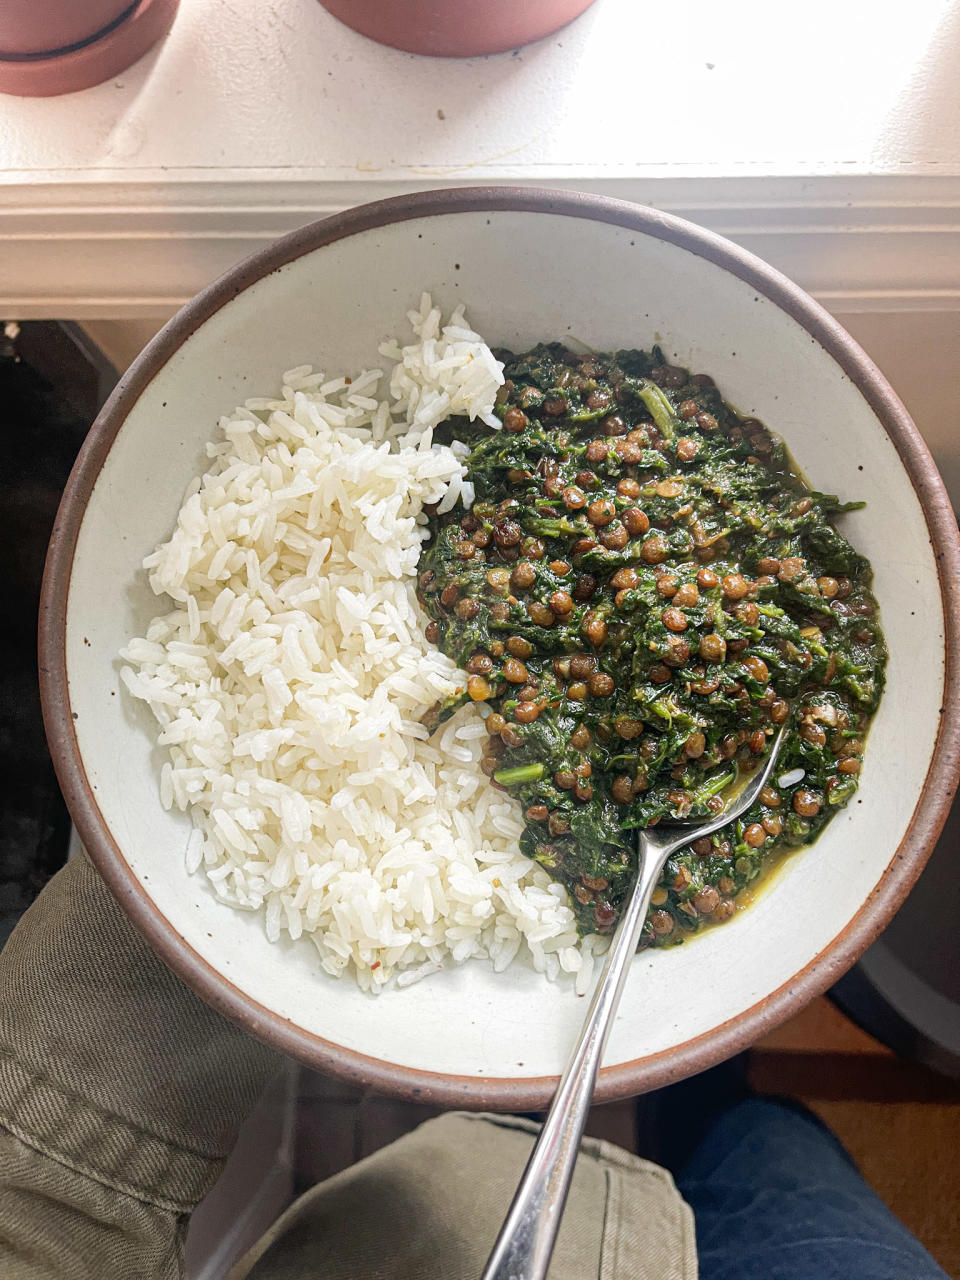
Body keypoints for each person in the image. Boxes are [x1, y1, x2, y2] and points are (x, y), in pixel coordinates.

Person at [0, 854, 949, 1279]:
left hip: (437, 1222)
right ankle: (706, 1096)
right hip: (495, 1225)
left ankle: (698, 1090)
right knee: (778, 1161)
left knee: (767, 1150)